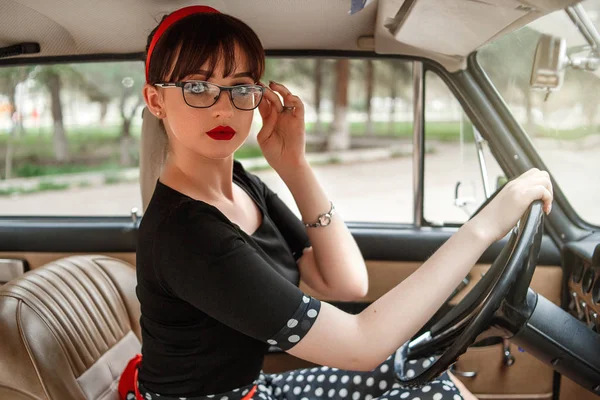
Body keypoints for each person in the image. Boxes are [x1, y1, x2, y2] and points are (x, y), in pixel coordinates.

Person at [135, 5, 554, 400]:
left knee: (419, 366)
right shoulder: (188, 234)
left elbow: (345, 282)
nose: (224, 107)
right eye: (197, 87)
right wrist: (485, 226)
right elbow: (361, 346)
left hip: (254, 389)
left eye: (240, 87)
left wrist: (294, 166)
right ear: (156, 101)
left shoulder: (243, 184)